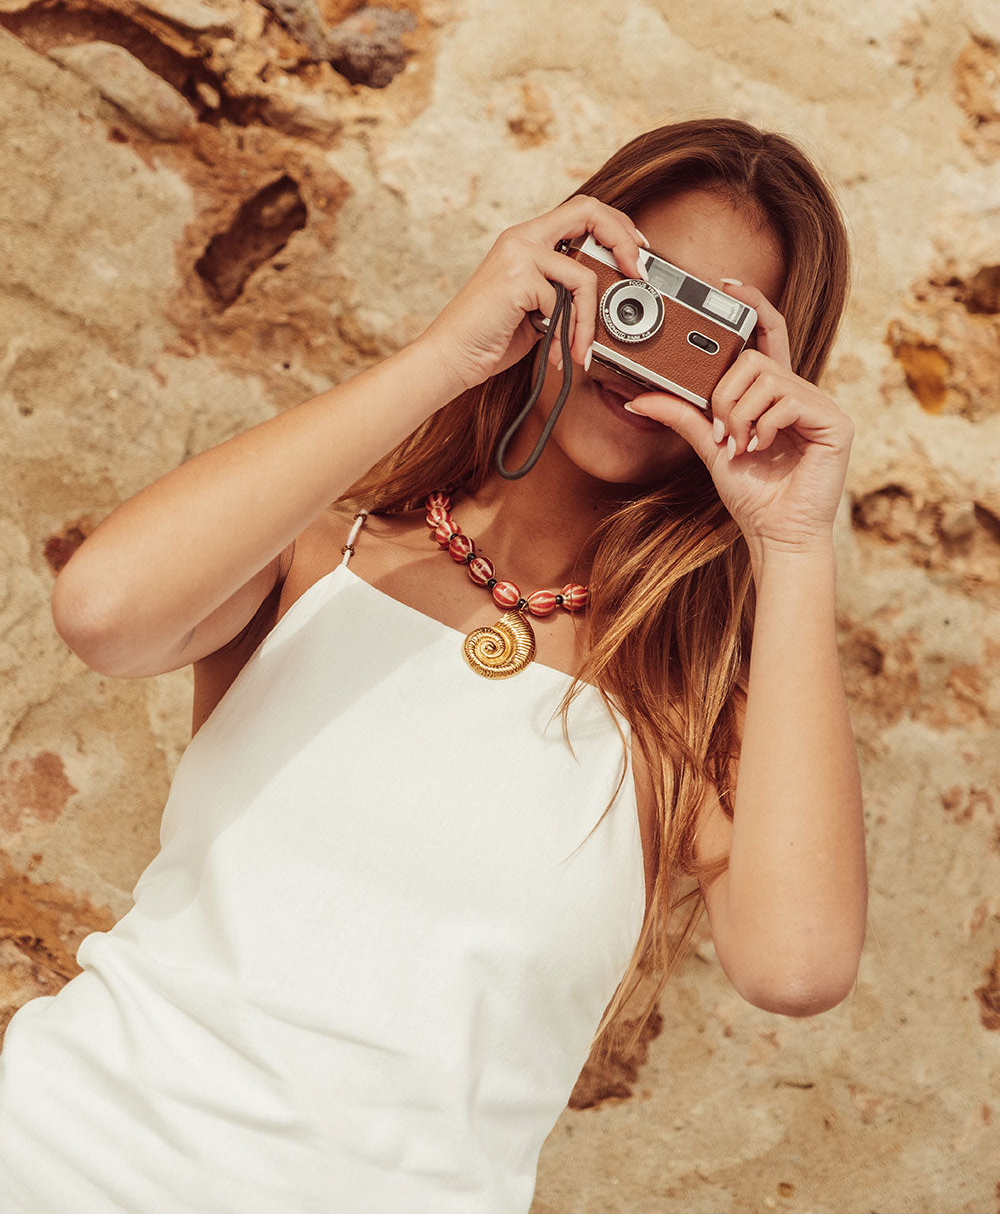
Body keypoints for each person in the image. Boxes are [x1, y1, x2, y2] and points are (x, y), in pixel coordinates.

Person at [0, 117, 867, 1213]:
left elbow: (796, 965)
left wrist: (788, 539)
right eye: (637, 282)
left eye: (714, 323)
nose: (654, 333)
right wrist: (449, 352)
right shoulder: (321, 554)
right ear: (563, 260)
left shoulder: (693, 714)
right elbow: (103, 610)